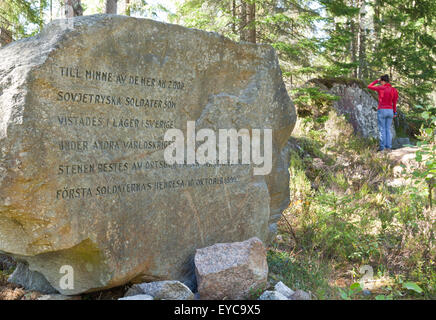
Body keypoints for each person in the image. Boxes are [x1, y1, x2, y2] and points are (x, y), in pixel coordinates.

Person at [368, 74, 399, 152]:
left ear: (382, 81)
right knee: (388, 129)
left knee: (382, 129)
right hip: (390, 111)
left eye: (380, 81)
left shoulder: (380, 88)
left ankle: (382, 148)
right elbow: (394, 103)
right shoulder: (394, 90)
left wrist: (376, 81)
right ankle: (388, 147)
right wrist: (395, 112)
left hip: (382, 110)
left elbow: (369, 86)